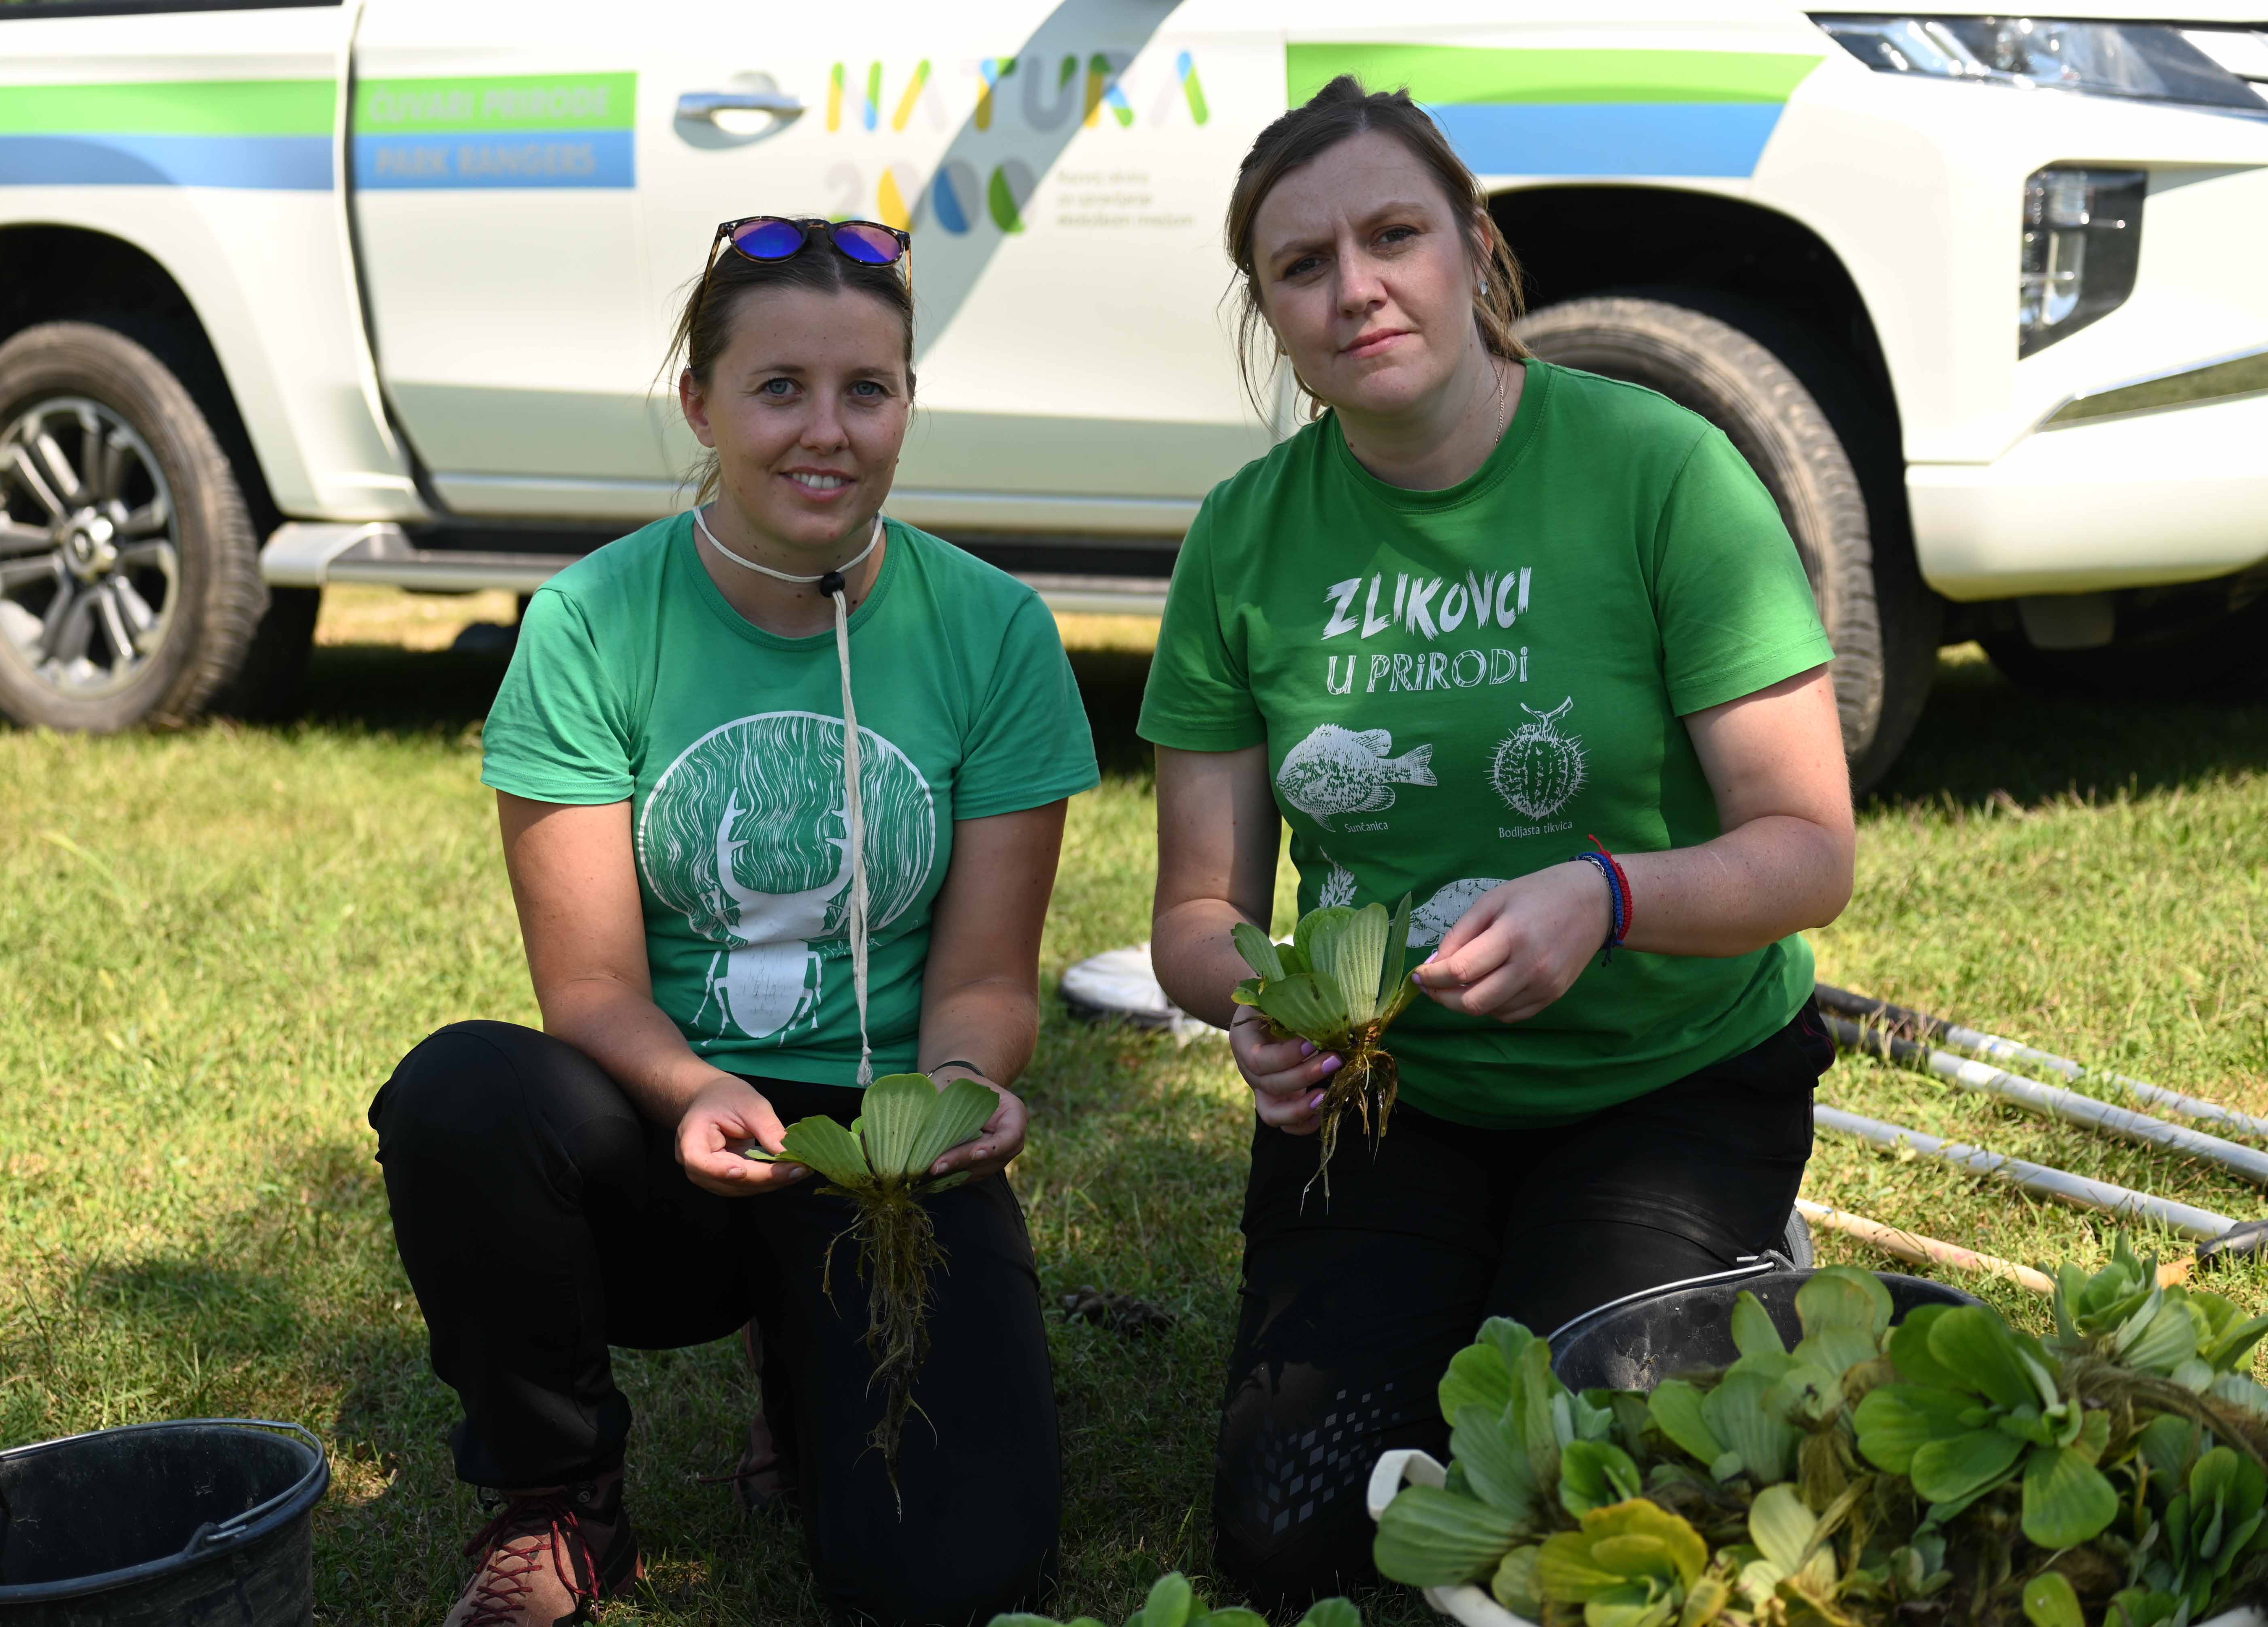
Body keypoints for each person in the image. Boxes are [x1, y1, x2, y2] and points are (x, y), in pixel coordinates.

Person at [1139, 79, 1856, 1605]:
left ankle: (1721, 1246)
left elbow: (1808, 854)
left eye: (1394, 236)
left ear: (1473, 248)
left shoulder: (1663, 470)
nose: (1357, 289)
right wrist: (1254, 1001)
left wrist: (1609, 893)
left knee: (1580, 1506)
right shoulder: (1242, 540)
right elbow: (1199, 910)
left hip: (1669, 1080)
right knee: (1297, 1548)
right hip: (1388, 1096)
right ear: (1269, 311)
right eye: (1302, 266)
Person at [369, 214, 1099, 1627]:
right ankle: (558, 1496)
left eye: (867, 390)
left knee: (955, 1584)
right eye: (779, 389)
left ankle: (805, 1374)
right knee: (467, 1092)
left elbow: (988, 983)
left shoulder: (998, 631)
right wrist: (700, 1090)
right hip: (669, 1123)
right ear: (701, 403)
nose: (826, 432)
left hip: (890, 1150)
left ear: (904, 404)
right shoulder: (589, 622)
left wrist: (957, 1090)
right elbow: (587, 990)